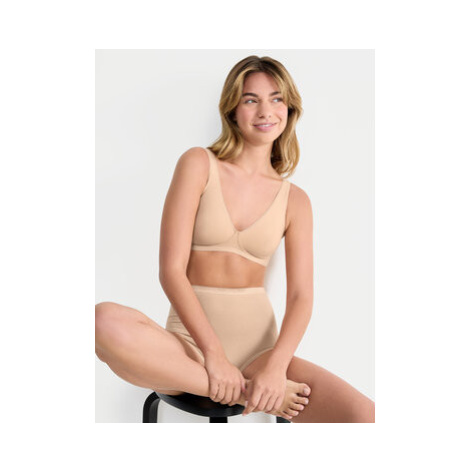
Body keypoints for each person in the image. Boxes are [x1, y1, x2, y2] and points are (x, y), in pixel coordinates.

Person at [95, 55, 375, 423]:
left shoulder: (295, 200)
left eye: (276, 99)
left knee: (365, 416)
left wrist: (276, 368)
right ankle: (245, 391)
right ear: (232, 110)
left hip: (261, 353)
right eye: (250, 99)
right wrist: (213, 356)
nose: (265, 111)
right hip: (188, 350)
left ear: (290, 110)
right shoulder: (198, 164)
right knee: (101, 321)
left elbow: (301, 297)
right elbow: (171, 270)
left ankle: (254, 387)